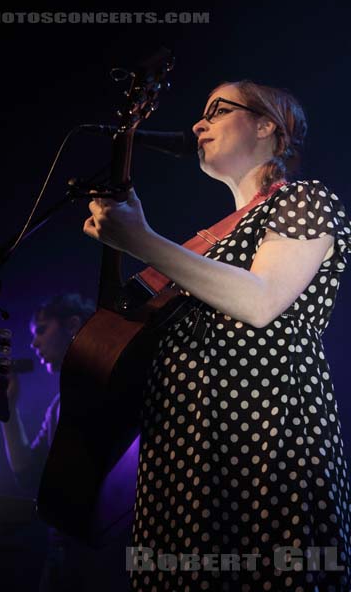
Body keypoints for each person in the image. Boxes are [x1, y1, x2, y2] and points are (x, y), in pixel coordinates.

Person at [83, 80, 351, 590]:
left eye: (218, 111)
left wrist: (142, 240)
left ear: (267, 125)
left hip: (265, 443)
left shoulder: (304, 199)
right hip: (185, 455)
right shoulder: (211, 240)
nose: (198, 124)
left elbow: (259, 301)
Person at [1, 292, 95, 591]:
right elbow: (29, 476)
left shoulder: (102, 390)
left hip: (100, 554)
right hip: (63, 552)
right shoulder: (58, 406)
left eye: (42, 330)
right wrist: (9, 408)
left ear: (72, 325)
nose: (34, 343)